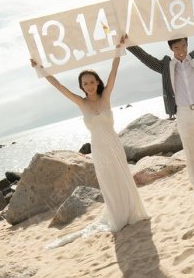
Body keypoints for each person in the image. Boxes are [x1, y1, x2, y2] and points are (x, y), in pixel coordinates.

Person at [31, 36, 148, 232]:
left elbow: (113, 72)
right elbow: (59, 86)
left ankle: (131, 212)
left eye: (92, 82)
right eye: (85, 83)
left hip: (114, 145)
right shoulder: (81, 103)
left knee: (122, 177)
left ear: (97, 82)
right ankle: (118, 216)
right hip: (99, 149)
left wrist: (119, 48)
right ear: (82, 86)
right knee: (109, 182)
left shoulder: (105, 96)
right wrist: (40, 69)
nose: (89, 86)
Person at [126, 9, 194, 199]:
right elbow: (145, 58)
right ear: (171, 49)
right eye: (176, 48)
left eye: (183, 46)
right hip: (183, 113)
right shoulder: (166, 66)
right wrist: (129, 43)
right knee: (189, 151)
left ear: (187, 44)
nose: (180, 51)